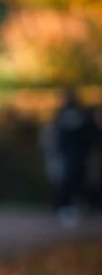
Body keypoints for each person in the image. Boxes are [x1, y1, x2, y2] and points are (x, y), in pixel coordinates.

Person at [48, 89, 95, 223]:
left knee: (77, 180)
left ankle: (76, 206)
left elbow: (89, 135)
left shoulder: (80, 114)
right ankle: (65, 207)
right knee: (66, 180)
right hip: (68, 156)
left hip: (78, 156)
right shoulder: (63, 114)